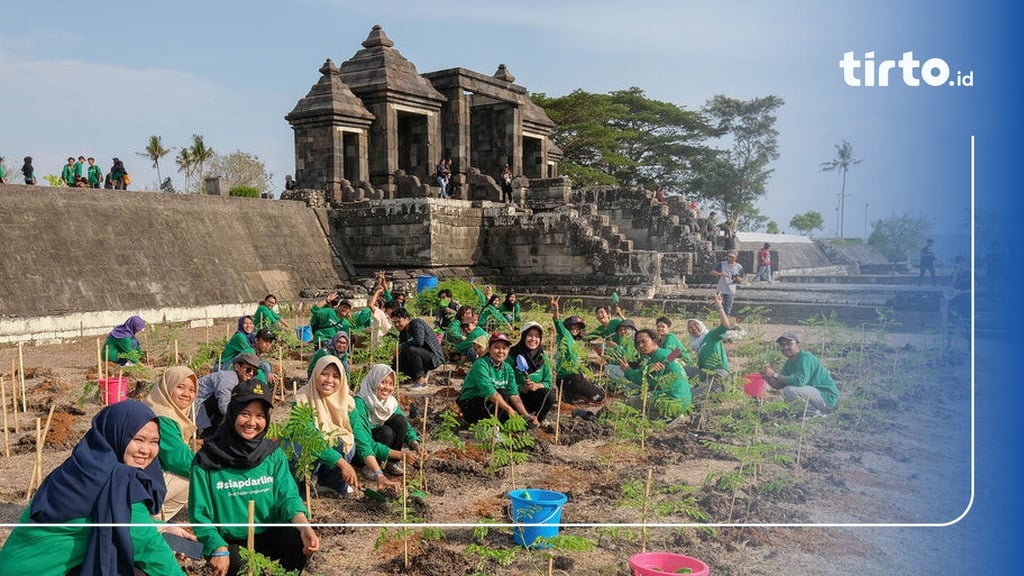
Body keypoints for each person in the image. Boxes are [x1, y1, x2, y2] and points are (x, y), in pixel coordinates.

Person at [0, 400, 187, 575]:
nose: (146, 450)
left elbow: (113, 518)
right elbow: (147, 546)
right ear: (117, 433)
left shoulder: (83, 467)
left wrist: (162, 528)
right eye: (138, 439)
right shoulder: (118, 482)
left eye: (154, 442)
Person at [190, 379, 319, 576]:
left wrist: (304, 527)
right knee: (238, 565)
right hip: (229, 543)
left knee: (296, 539)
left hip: (268, 534)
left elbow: (288, 496)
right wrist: (217, 546)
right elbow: (200, 516)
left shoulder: (272, 454)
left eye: (259, 416)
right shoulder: (207, 459)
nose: (252, 422)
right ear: (232, 413)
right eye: (245, 414)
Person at [291, 356, 366, 494]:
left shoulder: (347, 401)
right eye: (324, 374)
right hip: (303, 458)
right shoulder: (302, 398)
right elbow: (309, 436)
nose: (329, 380)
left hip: (326, 454)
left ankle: (330, 484)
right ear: (315, 374)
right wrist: (342, 463)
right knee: (299, 445)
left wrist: (378, 472)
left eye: (336, 376)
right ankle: (300, 488)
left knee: (344, 440)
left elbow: (361, 435)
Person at [144, 366, 199, 521]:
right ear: (167, 387)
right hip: (144, 478)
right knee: (193, 479)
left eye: (192, 390)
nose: (186, 394)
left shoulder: (160, 406)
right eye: (180, 387)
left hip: (147, 473)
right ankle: (151, 521)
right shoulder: (163, 417)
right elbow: (180, 460)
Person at [352, 364, 423, 478]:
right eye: (383, 382)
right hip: (361, 450)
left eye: (390, 384)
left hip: (378, 445)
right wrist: (400, 455)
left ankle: (391, 463)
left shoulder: (390, 403)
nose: (387, 387)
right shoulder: (360, 403)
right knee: (386, 432)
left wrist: (416, 445)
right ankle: (368, 465)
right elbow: (363, 440)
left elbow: (406, 426)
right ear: (374, 382)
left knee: (400, 421)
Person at [458, 333, 540, 426]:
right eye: (496, 347)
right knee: (503, 396)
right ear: (489, 349)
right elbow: (489, 392)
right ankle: (489, 427)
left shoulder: (508, 368)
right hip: (471, 404)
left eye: (504, 348)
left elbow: (514, 394)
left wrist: (525, 415)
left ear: (508, 350)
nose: (501, 351)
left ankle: (502, 426)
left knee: (512, 405)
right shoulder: (481, 364)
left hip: (490, 403)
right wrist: (509, 410)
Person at [761, 332, 840, 417]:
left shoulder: (805, 357)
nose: (785, 347)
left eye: (789, 344)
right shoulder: (789, 362)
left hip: (826, 396)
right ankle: (810, 412)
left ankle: (816, 414)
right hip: (814, 394)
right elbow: (780, 384)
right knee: (786, 393)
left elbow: (800, 382)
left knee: (789, 391)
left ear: (798, 344)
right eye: (782, 345)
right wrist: (768, 378)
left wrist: (774, 374)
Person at [619, 328, 691, 420]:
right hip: (685, 401)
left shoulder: (658, 358)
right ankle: (666, 417)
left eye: (644, 341)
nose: (640, 345)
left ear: (655, 341)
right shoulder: (666, 353)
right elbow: (677, 352)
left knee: (628, 404)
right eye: (638, 343)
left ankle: (667, 417)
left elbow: (645, 382)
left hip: (671, 399)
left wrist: (627, 370)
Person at [550, 296, 606, 403]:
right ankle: (579, 394)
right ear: (567, 328)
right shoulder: (564, 335)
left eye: (577, 328)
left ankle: (575, 395)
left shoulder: (574, 341)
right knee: (600, 397)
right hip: (570, 378)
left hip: (568, 378)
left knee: (578, 396)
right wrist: (556, 309)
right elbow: (557, 322)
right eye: (572, 327)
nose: (575, 330)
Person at [194, 352, 262, 437]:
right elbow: (223, 406)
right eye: (248, 369)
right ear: (237, 367)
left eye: (254, 372)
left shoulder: (240, 383)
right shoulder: (228, 378)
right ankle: (207, 433)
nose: (251, 373)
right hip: (197, 409)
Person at [508, 321, 555, 423]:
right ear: (524, 336)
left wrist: (537, 385)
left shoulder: (543, 358)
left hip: (532, 398)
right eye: (530, 335)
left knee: (549, 395)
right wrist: (522, 388)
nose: (533, 339)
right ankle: (517, 419)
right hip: (514, 399)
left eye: (537, 336)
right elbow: (505, 384)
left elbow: (548, 382)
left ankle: (537, 420)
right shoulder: (512, 356)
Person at [684, 293, 732, 389]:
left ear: (701, 325)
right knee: (681, 369)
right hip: (705, 375)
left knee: (693, 398)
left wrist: (719, 307)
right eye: (689, 327)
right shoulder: (697, 346)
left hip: (719, 374)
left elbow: (726, 326)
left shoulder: (711, 335)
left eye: (695, 325)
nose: (693, 328)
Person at [390, 306, 444, 390]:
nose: (397, 324)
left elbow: (419, 341)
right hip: (421, 357)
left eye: (399, 321)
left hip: (433, 357)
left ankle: (421, 381)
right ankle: (401, 378)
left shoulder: (416, 323)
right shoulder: (403, 332)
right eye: (394, 322)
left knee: (410, 350)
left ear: (407, 319)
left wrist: (400, 346)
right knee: (401, 354)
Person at [710, 250, 744, 316]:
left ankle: (726, 323)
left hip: (731, 290)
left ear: (736, 258)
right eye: (729, 256)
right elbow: (712, 272)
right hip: (721, 289)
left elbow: (741, 279)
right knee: (719, 307)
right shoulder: (722, 264)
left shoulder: (739, 267)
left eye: (732, 257)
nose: (730, 258)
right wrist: (720, 274)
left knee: (728, 309)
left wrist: (737, 278)